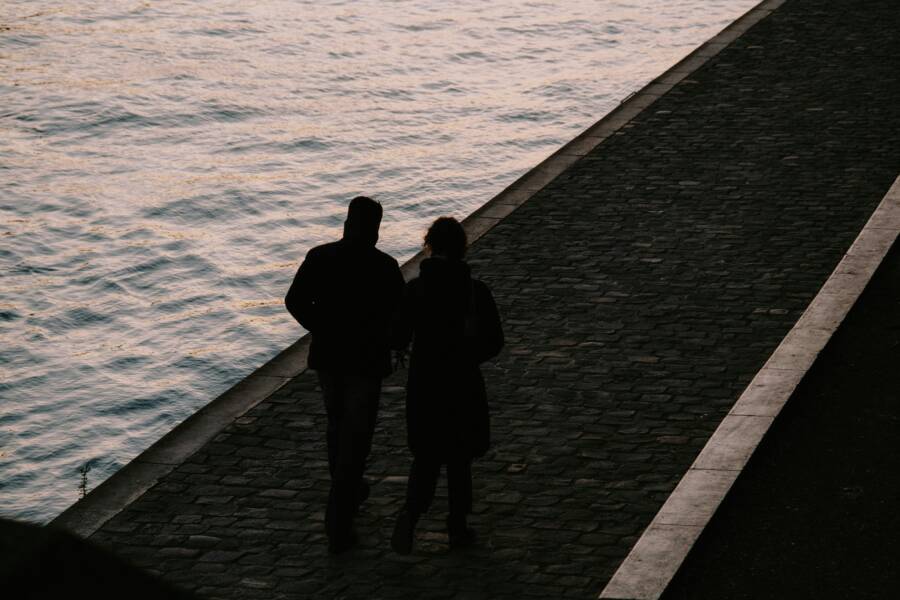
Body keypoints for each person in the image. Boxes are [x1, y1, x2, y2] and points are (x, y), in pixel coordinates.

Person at [284, 196, 404, 554]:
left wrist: (321, 328)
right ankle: (340, 515)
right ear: (376, 228)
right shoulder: (384, 266)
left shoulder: (320, 257)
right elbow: (400, 315)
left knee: (336, 426)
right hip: (365, 363)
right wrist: (394, 342)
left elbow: (295, 301)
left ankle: (348, 488)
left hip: (330, 359)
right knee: (358, 436)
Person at [390, 216, 504, 554]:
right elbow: (494, 341)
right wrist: (468, 356)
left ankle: (410, 517)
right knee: (459, 458)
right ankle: (456, 526)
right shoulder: (475, 291)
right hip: (461, 382)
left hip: (425, 384)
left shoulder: (415, 290)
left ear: (430, 245)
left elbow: (397, 335)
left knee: (425, 456)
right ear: (461, 247)